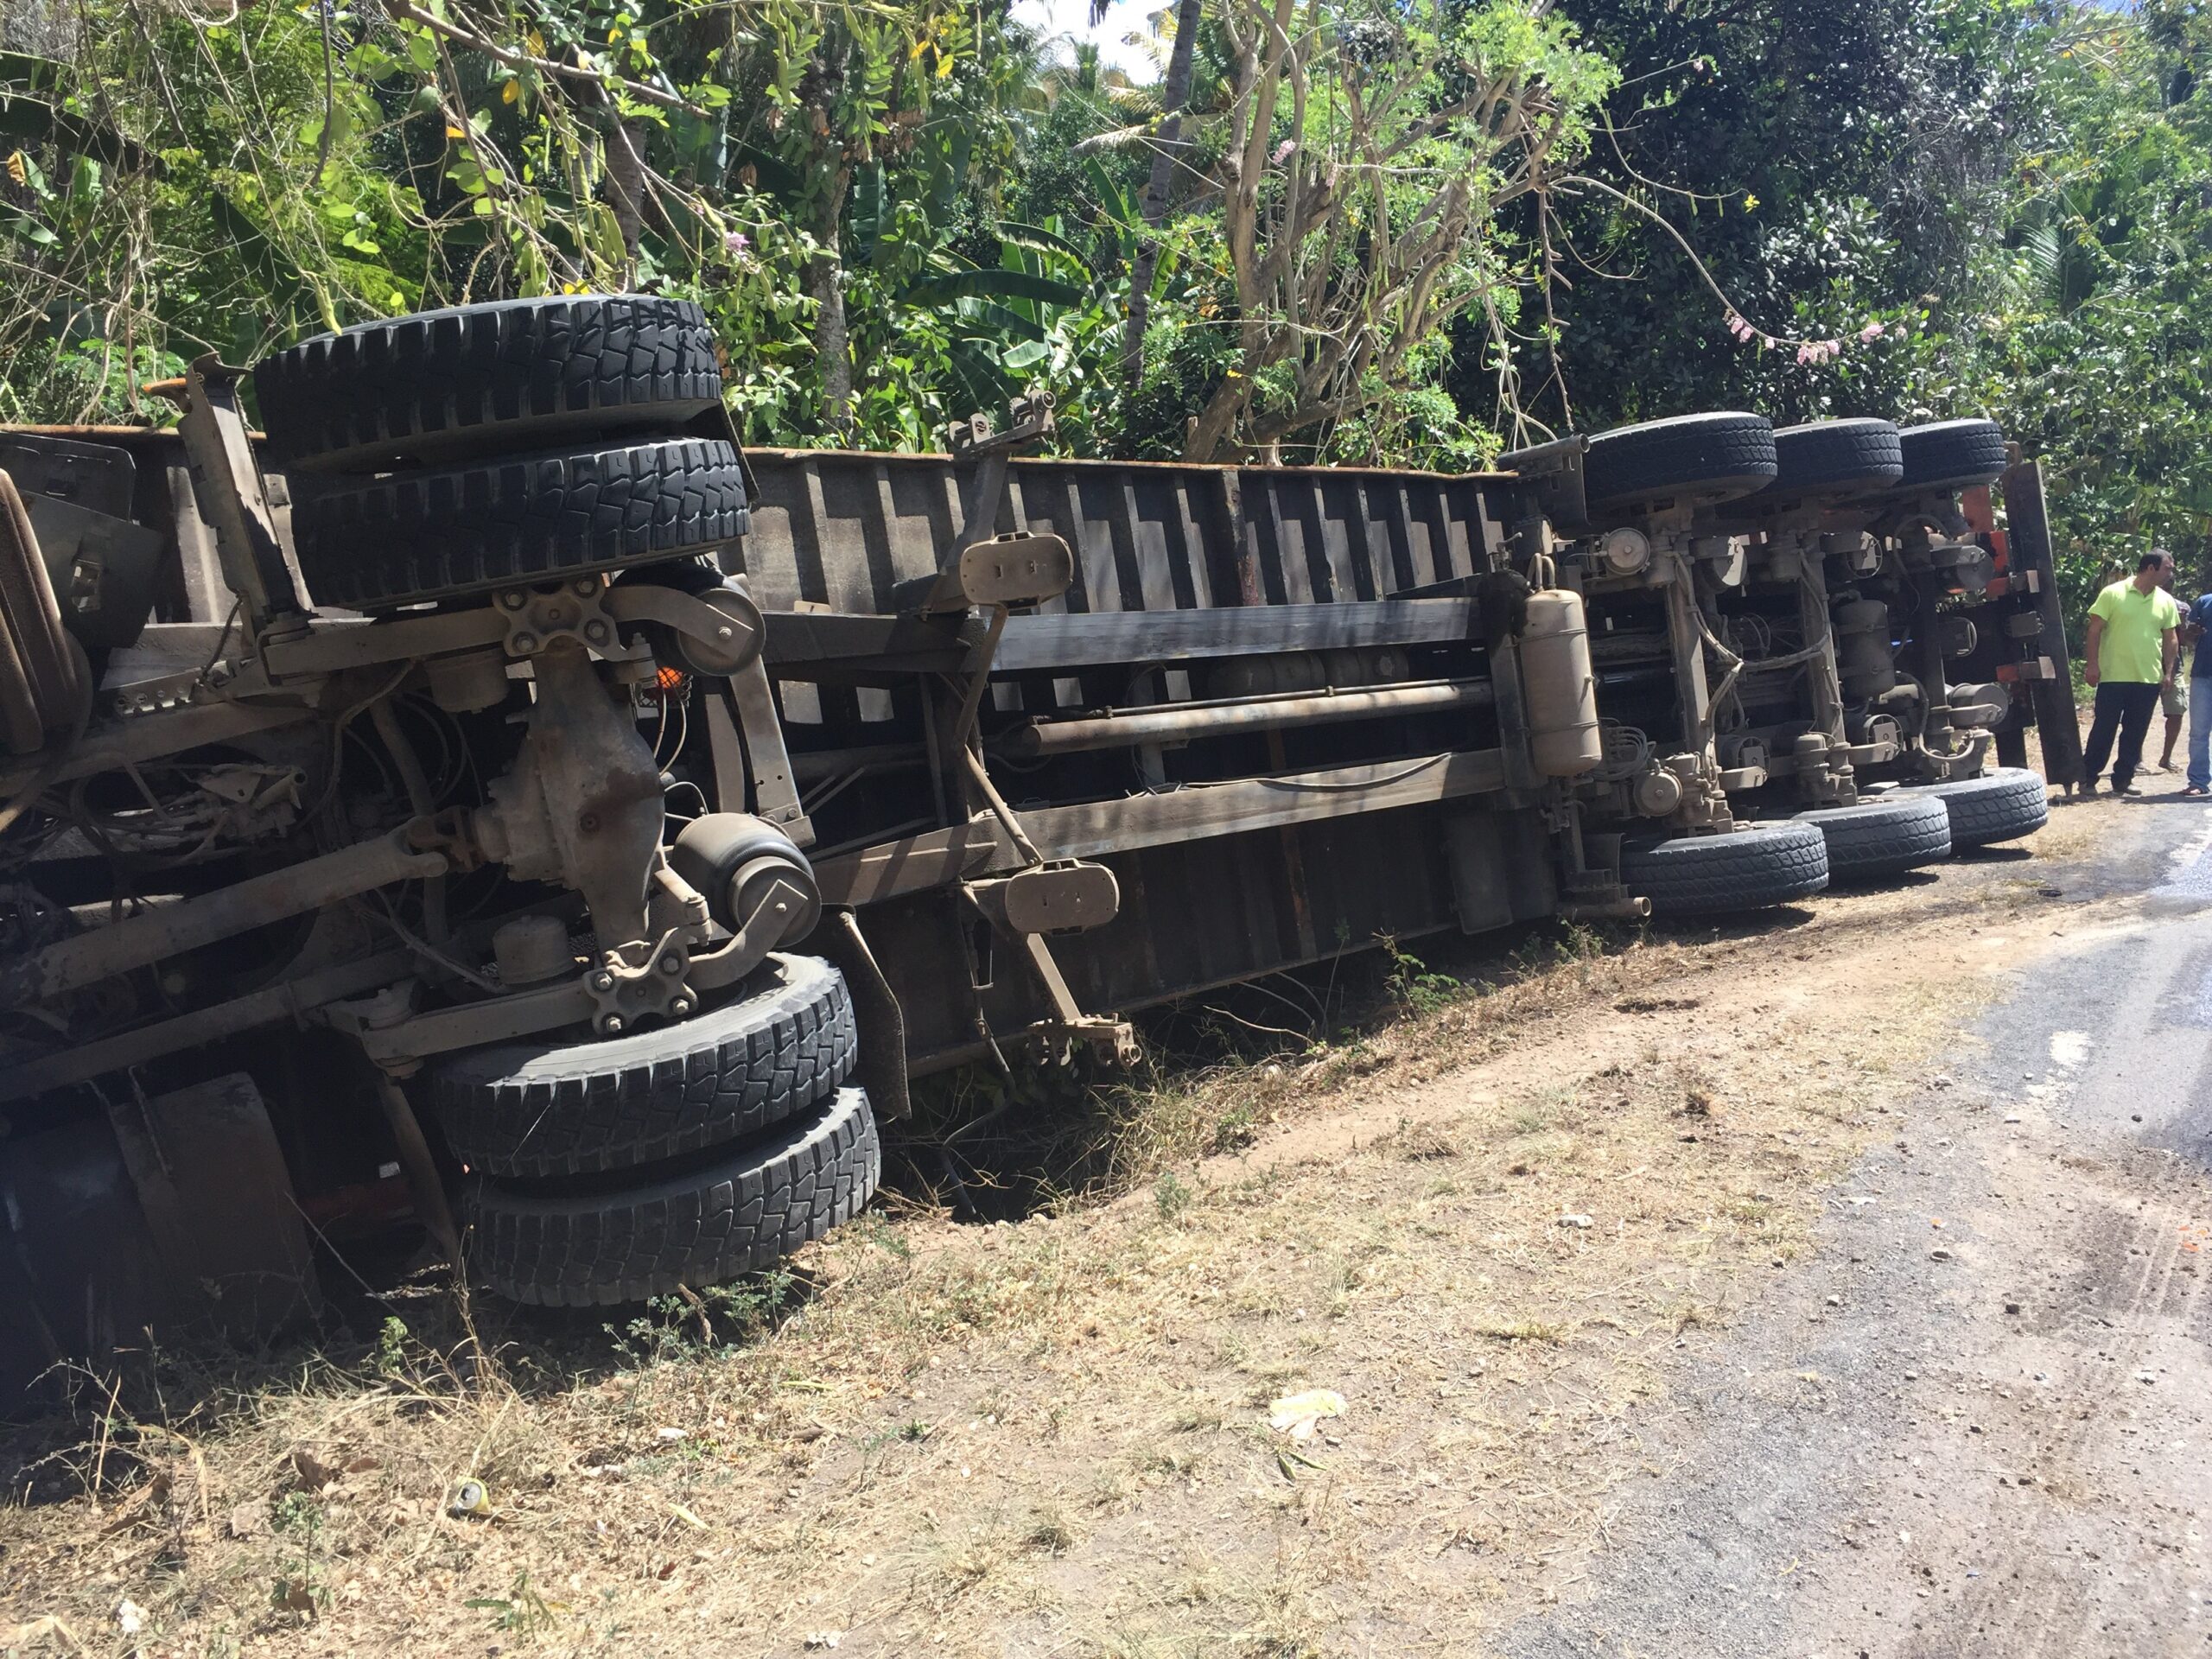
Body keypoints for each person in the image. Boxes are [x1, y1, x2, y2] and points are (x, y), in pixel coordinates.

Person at [2082, 549, 2181, 798]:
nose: (2171, 573)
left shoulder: (2165, 601)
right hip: (2114, 676)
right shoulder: (2113, 594)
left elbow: (2171, 639)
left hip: (2147, 678)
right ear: (2151, 568)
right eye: (2168, 568)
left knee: (2136, 732)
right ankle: (2088, 778)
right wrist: (2092, 665)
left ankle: (2123, 779)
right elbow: (2094, 631)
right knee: (2104, 729)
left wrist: (2168, 672)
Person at [2184, 582, 2212, 797]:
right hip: (2203, 674)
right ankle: (2198, 781)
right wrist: (2192, 632)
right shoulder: (2204, 601)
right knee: (2199, 732)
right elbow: (2187, 639)